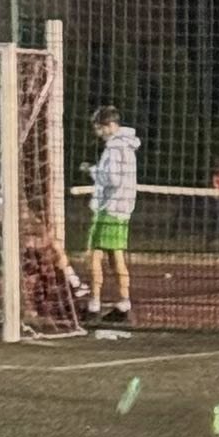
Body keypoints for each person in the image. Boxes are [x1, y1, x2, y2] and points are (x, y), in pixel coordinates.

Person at [85, 105, 139, 325]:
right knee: (116, 257)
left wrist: (93, 171)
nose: (98, 132)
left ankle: (94, 306)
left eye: (99, 127)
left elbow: (113, 179)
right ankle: (124, 304)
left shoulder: (115, 147)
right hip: (123, 209)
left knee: (93, 255)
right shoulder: (127, 145)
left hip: (110, 208)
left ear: (110, 125)